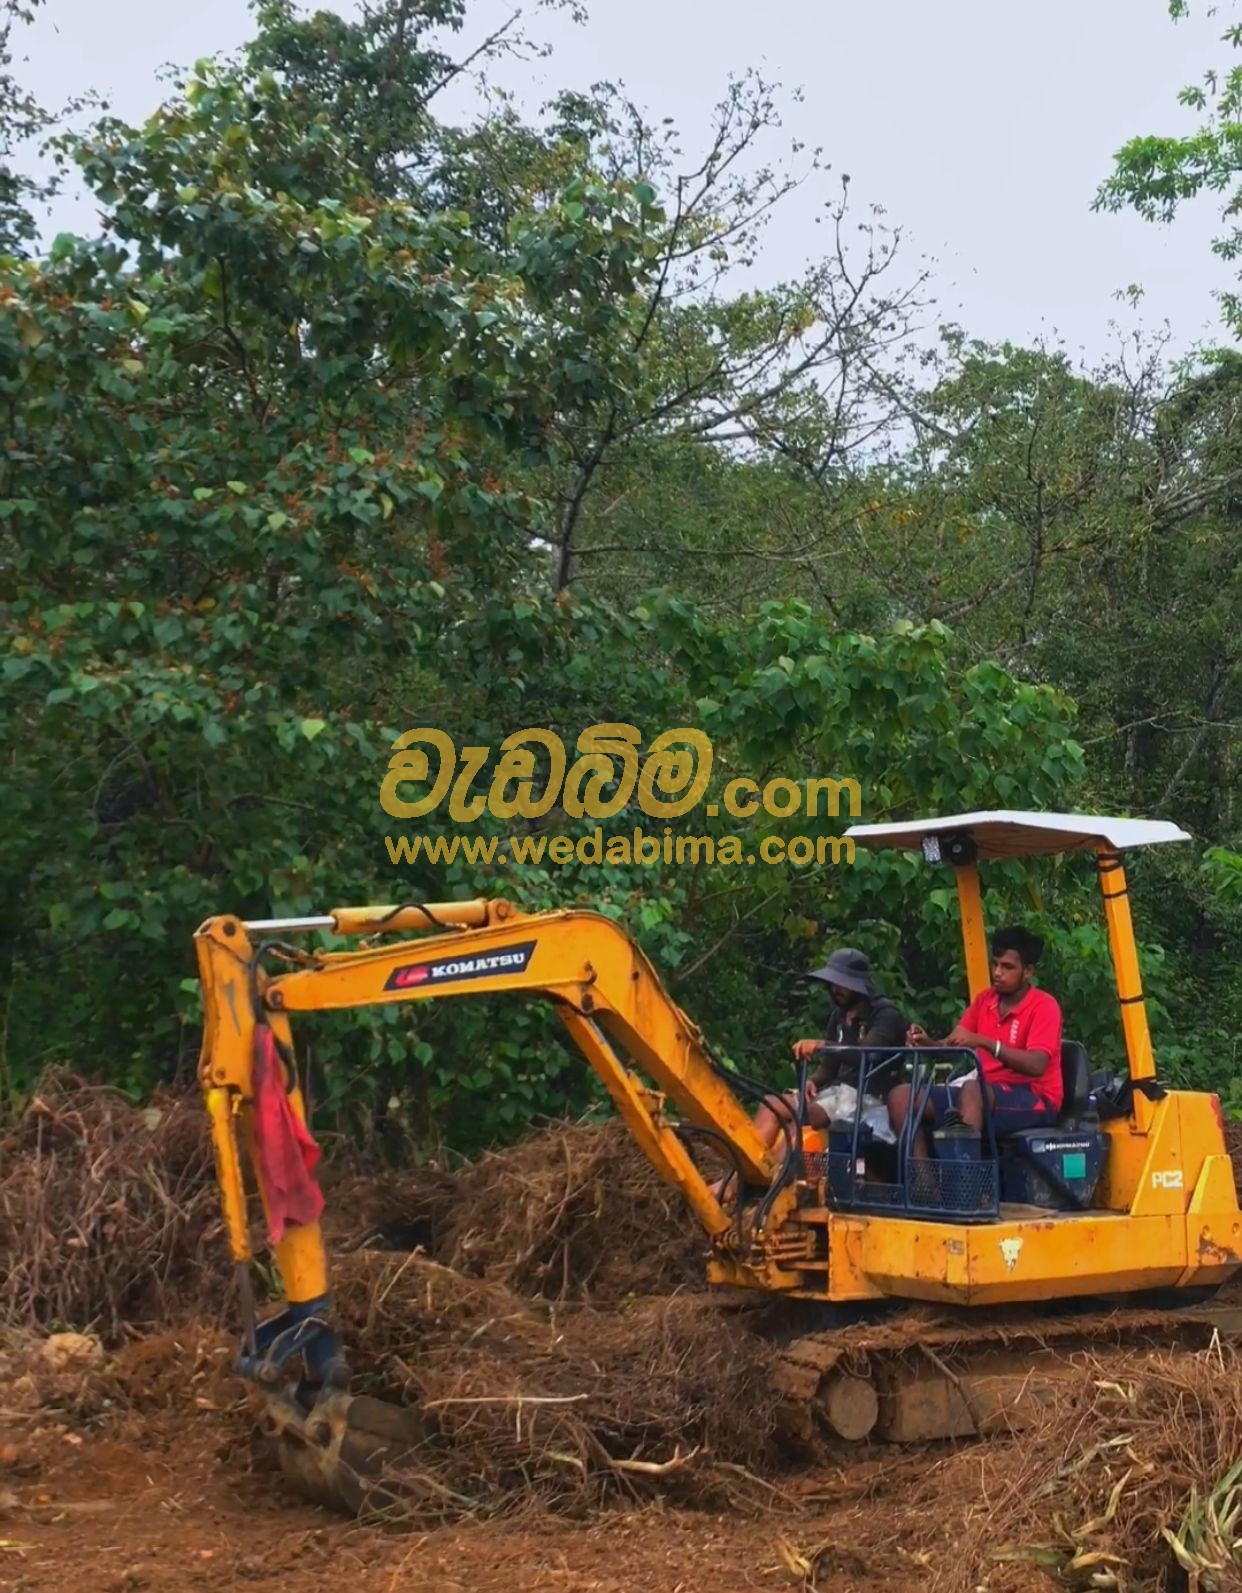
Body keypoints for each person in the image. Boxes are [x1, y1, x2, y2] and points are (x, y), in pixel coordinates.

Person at [715, 949, 906, 1192]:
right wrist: (812, 1081)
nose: (834, 990)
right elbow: (828, 1070)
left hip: (870, 1098)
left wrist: (823, 1045)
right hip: (836, 1094)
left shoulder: (886, 1015)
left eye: (840, 985)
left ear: (859, 985)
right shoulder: (838, 1016)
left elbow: (866, 1055)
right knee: (772, 1104)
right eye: (831, 984)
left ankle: (761, 1185)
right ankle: (744, 1174)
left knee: (798, 1119)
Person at [888, 926, 1063, 1152]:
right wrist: (927, 1042)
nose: (998, 973)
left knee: (972, 1089)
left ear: (1028, 971)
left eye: (1007, 967)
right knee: (901, 1096)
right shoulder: (985, 1000)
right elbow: (954, 1043)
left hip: (1035, 1098)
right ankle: (923, 1183)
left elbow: (1037, 1065)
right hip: (985, 1093)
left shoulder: (1044, 1006)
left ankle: (964, 1182)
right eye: (995, 964)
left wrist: (985, 1042)